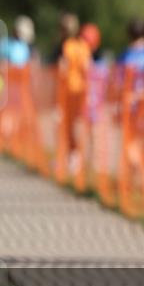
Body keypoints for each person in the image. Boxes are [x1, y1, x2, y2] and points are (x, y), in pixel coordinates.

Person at [57, 13, 90, 178]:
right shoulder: (83, 46)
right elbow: (87, 67)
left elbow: (63, 68)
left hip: (69, 91)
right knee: (75, 125)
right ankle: (74, 157)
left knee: (68, 125)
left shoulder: (67, 46)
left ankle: (73, 157)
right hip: (81, 91)